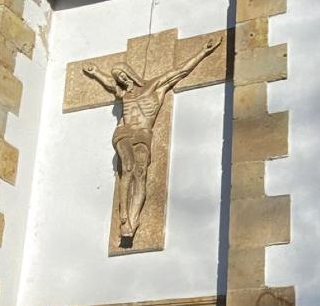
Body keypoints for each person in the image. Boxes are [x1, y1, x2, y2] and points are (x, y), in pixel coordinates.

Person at [83, 37, 220, 241]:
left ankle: (134, 217)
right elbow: (109, 84)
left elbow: (180, 71)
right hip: (124, 132)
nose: (121, 79)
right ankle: (123, 214)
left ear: (130, 74)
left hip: (143, 133)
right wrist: (96, 73)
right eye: (119, 77)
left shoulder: (154, 86)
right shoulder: (123, 94)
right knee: (127, 167)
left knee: (140, 173)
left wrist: (203, 51)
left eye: (123, 74)